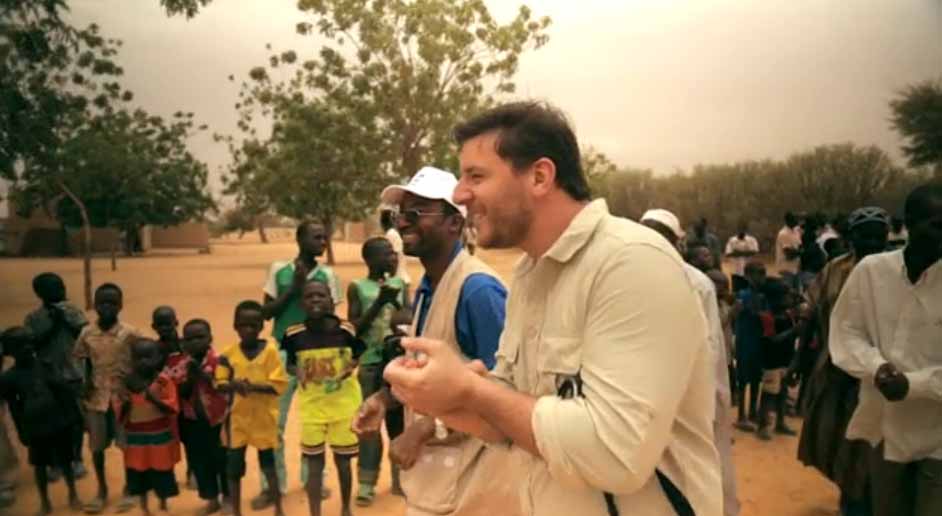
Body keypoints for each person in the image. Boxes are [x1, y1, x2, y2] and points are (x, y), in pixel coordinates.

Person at [383, 102, 721, 515]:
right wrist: (442, 393)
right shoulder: (530, 274)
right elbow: (508, 423)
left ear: (540, 177)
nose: (459, 194)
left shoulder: (630, 262)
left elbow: (614, 456)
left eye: (476, 176)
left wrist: (473, 390)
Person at [353, 165, 513, 516]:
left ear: (454, 223)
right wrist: (384, 400)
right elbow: (432, 373)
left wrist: (425, 429)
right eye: (400, 213)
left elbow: (506, 392)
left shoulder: (478, 291)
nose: (403, 222)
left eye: (416, 212)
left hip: (476, 489)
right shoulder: (429, 286)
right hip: (438, 483)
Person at [830, 182, 942, 516]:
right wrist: (876, 367)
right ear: (908, 223)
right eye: (937, 225)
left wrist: (913, 385)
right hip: (884, 428)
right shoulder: (872, 272)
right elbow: (846, 331)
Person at [641, 209, 740, 516]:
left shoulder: (697, 283)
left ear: (676, 243)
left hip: (684, 395)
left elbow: (709, 350)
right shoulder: (629, 276)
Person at [796, 206, 890, 516]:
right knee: (834, 439)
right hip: (835, 372)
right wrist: (799, 360)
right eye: (865, 235)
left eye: (878, 236)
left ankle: (860, 501)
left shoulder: (897, 270)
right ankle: (851, 497)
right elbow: (811, 314)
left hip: (879, 373)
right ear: (852, 237)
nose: (872, 242)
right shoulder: (835, 270)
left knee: (870, 445)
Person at [259, 221, 342, 506]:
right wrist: (294, 288)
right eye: (317, 237)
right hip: (281, 354)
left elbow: (332, 316)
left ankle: (314, 480)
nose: (323, 242)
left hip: (314, 354)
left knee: (315, 422)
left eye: (324, 237)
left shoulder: (328, 275)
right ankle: (272, 485)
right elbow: (266, 312)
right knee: (274, 423)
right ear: (300, 239)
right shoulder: (279, 270)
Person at [283, 280, 366, 516]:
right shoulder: (293, 334)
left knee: (343, 462)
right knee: (314, 463)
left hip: (343, 407)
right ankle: (315, 512)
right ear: (302, 303)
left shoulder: (346, 330)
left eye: (321, 295)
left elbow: (358, 353)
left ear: (331, 300)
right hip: (312, 408)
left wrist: (351, 365)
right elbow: (290, 364)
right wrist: (296, 371)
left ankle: (345, 508)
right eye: (309, 296)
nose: (315, 300)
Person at [347, 237, 408, 506]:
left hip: (398, 362)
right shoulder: (358, 287)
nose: (393, 258)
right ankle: (366, 483)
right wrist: (379, 302)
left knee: (398, 423)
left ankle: (400, 479)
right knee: (370, 422)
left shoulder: (400, 285)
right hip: (371, 363)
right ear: (369, 259)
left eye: (394, 254)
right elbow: (354, 329)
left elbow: (409, 319)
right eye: (387, 254)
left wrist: (395, 303)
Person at [73, 283, 142, 514]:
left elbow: (143, 356)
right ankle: (101, 490)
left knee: (126, 445)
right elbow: (83, 359)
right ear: (95, 304)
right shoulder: (86, 333)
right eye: (102, 302)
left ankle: (130, 488)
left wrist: (135, 385)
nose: (107, 307)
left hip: (123, 397)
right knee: (97, 447)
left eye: (112, 303)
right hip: (96, 398)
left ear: (120, 305)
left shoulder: (130, 333)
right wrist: (84, 383)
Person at [216, 300, 289, 516]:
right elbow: (219, 383)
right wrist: (233, 385)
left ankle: (279, 509)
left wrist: (251, 386)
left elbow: (278, 385)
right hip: (238, 420)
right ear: (235, 326)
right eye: (243, 325)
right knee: (234, 468)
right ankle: (236, 511)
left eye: (253, 325)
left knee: (268, 465)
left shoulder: (271, 352)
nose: (248, 330)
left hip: (263, 419)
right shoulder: (227, 354)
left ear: (261, 326)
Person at [0, 327, 83, 515]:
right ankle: (45, 502)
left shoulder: (46, 365)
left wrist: (72, 418)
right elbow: (14, 407)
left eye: (29, 342)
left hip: (58, 421)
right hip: (35, 427)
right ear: (9, 351)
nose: (27, 348)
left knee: (66, 461)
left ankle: (73, 494)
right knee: (40, 466)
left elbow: (63, 393)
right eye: (19, 345)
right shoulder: (9, 378)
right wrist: (22, 430)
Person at [24, 272, 88, 480]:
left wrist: (66, 321)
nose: (61, 291)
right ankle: (56, 462)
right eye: (54, 289)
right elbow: (33, 344)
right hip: (49, 377)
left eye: (61, 286)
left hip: (74, 373)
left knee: (76, 420)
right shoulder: (34, 318)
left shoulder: (74, 311)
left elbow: (85, 336)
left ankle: (77, 459)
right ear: (40, 293)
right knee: (53, 421)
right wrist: (53, 326)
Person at [164, 319, 231, 515]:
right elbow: (178, 393)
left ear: (210, 338)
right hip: (193, 422)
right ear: (183, 342)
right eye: (190, 339)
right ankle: (211, 499)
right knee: (200, 462)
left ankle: (228, 498)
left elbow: (223, 387)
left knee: (222, 460)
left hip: (218, 421)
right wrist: (191, 378)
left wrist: (201, 374)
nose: (195, 342)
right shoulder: (180, 365)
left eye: (200, 337)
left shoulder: (220, 361)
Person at [115, 338, 181, 515]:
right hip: (136, 436)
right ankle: (144, 507)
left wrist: (155, 400)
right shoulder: (126, 383)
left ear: (158, 358)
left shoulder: (163, 381)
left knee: (162, 470)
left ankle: (163, 504)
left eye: (148, 357)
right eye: (138, 357)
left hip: (159, 433)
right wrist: (125, 404)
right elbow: (119, 410)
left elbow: (173, 407)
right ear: (132, 359)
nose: (143, 361)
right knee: (139, 471)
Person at [755, 279, 800, 441]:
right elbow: (772, 340)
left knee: (782, 392)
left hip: (785, 360)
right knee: (769, 394)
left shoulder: (788, 315)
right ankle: (763, 426)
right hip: (771, 362)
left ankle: (780, 423)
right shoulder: (767, 317)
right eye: (786, 296)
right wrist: (793, 331)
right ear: (775, 298)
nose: (789, 299)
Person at [734, 261, 768, 431]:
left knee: (756, 379)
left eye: (763, 273)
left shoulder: (763, 295)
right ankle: (741, 415)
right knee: (743, 380)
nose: (762, 277)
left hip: (758, 342)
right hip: (745, 342)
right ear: (748, 276)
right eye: (758, 273)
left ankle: (753, 411)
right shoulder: (743, 295)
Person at [708, 269, 738, 407]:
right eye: (722, 286)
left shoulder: (724, 303)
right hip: (715, 351)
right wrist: (731, 313)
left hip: (726, 349)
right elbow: (716, 326)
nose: (726, 290)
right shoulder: (710, 304)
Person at [381, 208, 413, 287]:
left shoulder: (391, 234)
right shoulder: (393, 233)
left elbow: (394, 256)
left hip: (397, 280)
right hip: (399, 278)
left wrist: (389, 278)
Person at [775, 212, 803, 278]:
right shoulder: (783, 233)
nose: (796, 221)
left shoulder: (796, 231)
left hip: (795, 268)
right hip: (786, 268)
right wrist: (802, 252)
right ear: (787, 221)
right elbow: (789, 254)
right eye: (794, 219)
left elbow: (799, 246)